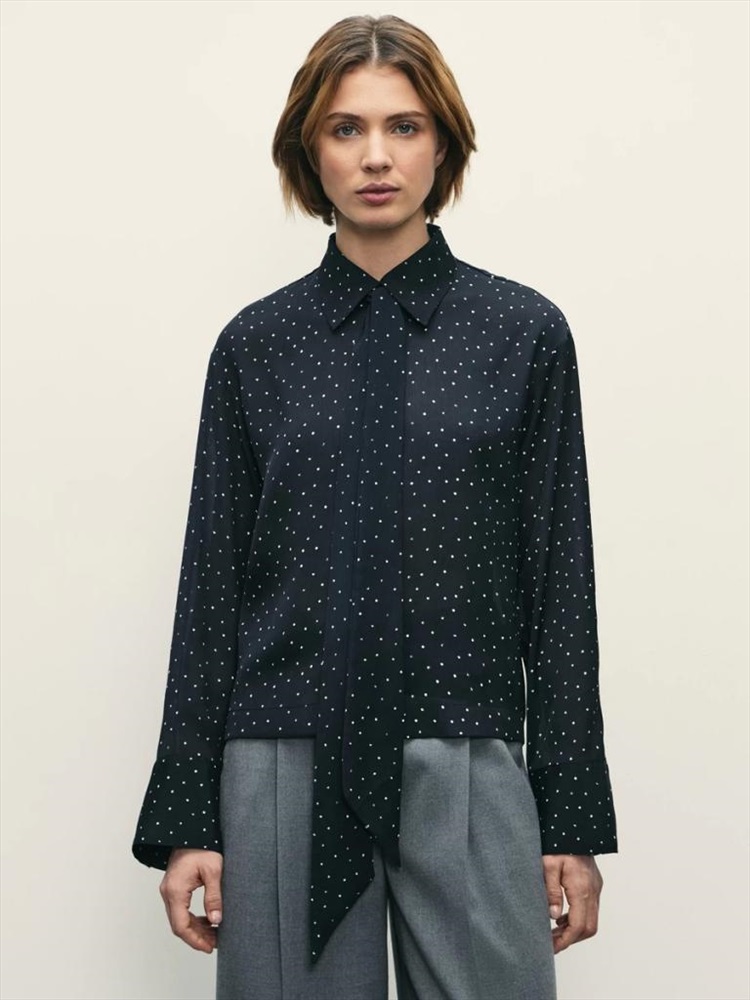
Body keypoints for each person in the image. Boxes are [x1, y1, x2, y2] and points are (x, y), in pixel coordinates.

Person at [132, 13, 618, 1000]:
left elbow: (560, 583)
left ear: (444, 143)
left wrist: (570, 818)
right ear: (308, 151)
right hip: (285, 758)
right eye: (345, 129)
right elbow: (210, 587)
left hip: (464, 749)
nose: (376, 157)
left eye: (404, 126)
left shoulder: (523, 335)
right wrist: (187, 817)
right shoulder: (255, 347)